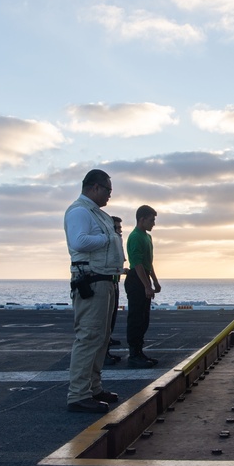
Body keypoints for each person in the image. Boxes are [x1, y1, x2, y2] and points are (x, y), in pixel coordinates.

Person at [64, 170, 123, 413]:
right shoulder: (80, 211)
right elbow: (79, 242)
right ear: (95, 188)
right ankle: (78, 394)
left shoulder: (96, 214)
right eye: (108, 190)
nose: (110, 195)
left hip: (104, 280)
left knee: (101, 337)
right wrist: (106, 239)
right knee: (89, 337)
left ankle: (94, 388)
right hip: (92, 281)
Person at [125, 205, 161, 368]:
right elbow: (137, 264)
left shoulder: (147, 237)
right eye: (152, 220)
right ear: (142, 219)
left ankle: (139, 352)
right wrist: (147, 286)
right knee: (136, 318)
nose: (154, 223)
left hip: (144, 277)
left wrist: (154, 281)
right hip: (136, 279)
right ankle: (134, 355)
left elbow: (148, 263)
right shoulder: (135, 237)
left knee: (144, 319)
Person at [103, 215, 127, 367]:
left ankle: (106, 350)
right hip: (108, 282)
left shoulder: (117, 242)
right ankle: (103, 354)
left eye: (120, 228)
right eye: (117, 228)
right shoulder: (109, 242)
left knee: (111, 319)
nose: (119, 231)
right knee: (105, 322)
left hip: (114, 282)